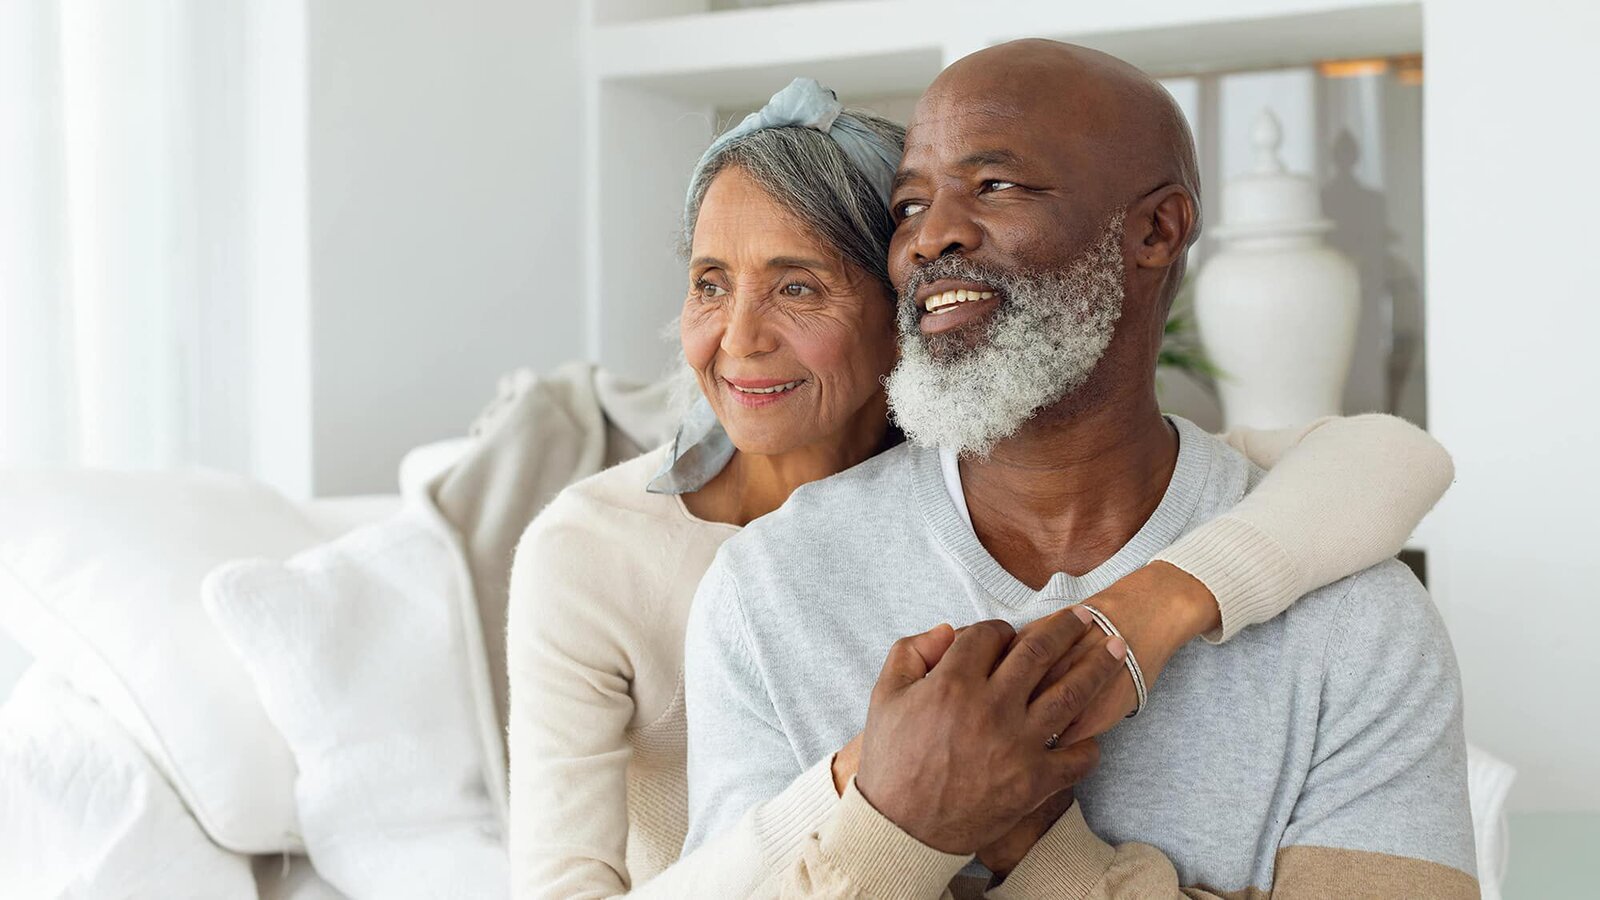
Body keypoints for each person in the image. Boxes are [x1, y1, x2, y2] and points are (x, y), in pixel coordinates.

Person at [509, 74, 1457, 897]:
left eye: (799, 287)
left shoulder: (1332, 588)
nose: (740, 336)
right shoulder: (700, 572)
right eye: (709, 282)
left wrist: (1144, 616)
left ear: (900, 312)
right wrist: (888, 791)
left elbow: (1390, 459)